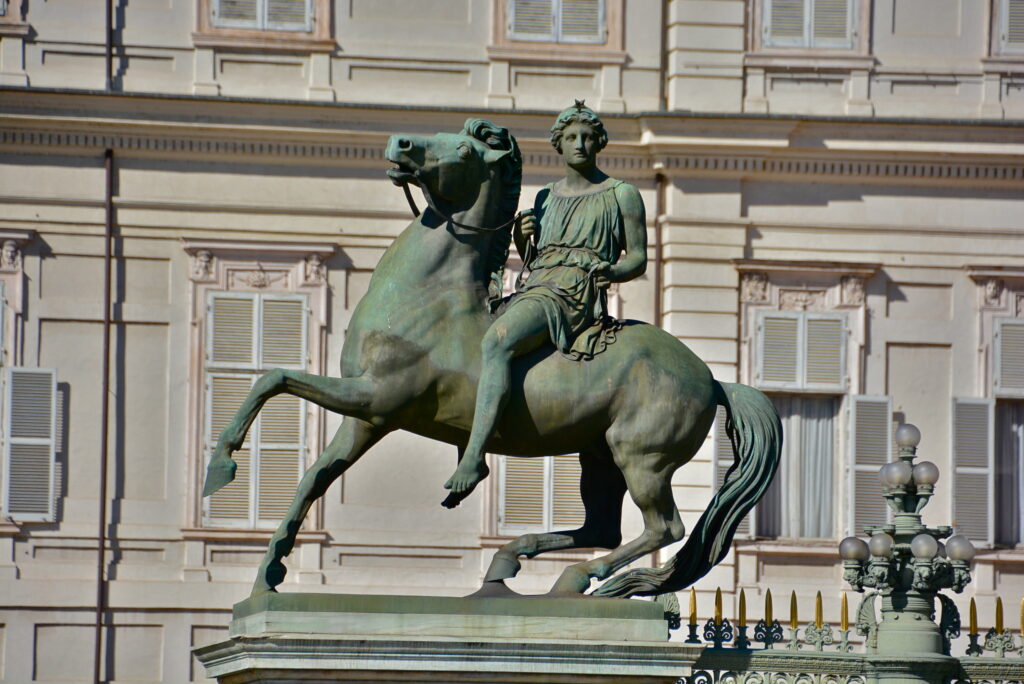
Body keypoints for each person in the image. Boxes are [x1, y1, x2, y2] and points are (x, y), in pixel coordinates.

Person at [443, 101, 648, 502]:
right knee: (467, 343)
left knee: (498, 341)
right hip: (538, 283)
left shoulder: (622, 194)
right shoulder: (544, 197)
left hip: (572, 292)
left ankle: (473, 457)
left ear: (600, 143)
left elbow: (638, 257)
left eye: (588, 138)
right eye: (571, 137)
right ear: (559, 144)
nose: (580, 145)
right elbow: (536, 259)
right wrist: (524, 241)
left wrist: (612, 271)